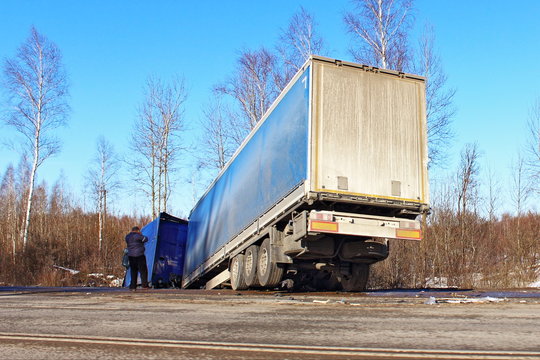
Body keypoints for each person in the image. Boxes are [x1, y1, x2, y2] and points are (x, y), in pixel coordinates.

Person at [125, 226, 149, 290]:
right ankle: (144, 285)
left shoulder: (127, 237)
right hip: (139, 255)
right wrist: (140, 234)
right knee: (143, 271)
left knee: (133, 271)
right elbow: (145, 239)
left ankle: (133, 286)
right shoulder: (138, 236)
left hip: (131, 256)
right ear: (137, 230)